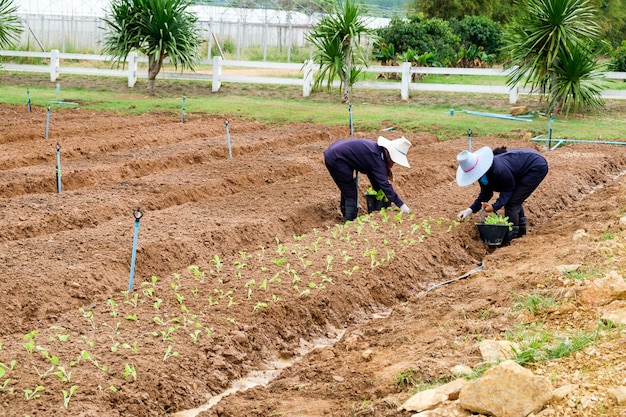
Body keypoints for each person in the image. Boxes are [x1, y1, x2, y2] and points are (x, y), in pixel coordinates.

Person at [456, 145, 548, 244]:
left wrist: (494, 206)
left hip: (535, 166)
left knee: (512, 203)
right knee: (515, 199)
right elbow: (486, 193)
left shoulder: (499, 170)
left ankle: (510, 239)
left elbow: (508, 189)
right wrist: (469, 210)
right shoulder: (483, 173)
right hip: (524, 165)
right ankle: (521, 233)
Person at [324, 136, 412, 221]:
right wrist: (401, 205)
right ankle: (350, 221)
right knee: (350, 191)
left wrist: (377, 190)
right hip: (336, 158)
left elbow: (372, 174)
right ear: (390, 154)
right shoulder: (377, 159)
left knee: (347, 188)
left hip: (336, 152)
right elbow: (384, 184)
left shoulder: (377, 151)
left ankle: (347, 215)